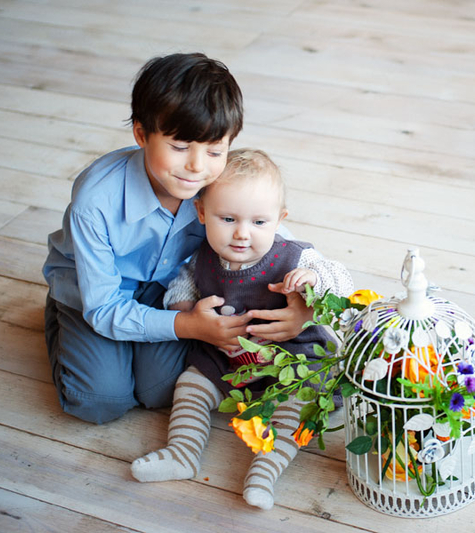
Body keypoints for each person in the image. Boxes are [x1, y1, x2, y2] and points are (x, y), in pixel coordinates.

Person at [42, 53, 313, 425]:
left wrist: (304, 308)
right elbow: (103, 308)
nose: (197, 166)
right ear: (142, 135)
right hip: (95, 292)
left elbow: (272, 238)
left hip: (168, 289)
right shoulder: (96, 201)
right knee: (100, 400)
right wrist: (189, 326)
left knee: (161, 389)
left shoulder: (215, 180)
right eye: (180, 147)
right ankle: (60, 319)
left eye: (214, 151)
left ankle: (124, 350)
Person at [130, 149, 353, 511]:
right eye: (228, 218)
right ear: (202, 212)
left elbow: (342, 281)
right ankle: (182, 452)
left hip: (293, 360)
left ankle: (266, 471)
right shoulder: (202, 257)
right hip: (228, 358)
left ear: (279, 220)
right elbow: (183, 284)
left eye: (259, 222)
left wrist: (314, 278)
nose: (242, 234)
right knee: (191, 385)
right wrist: (186, 309)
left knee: (300, 405)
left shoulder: (293, 257)